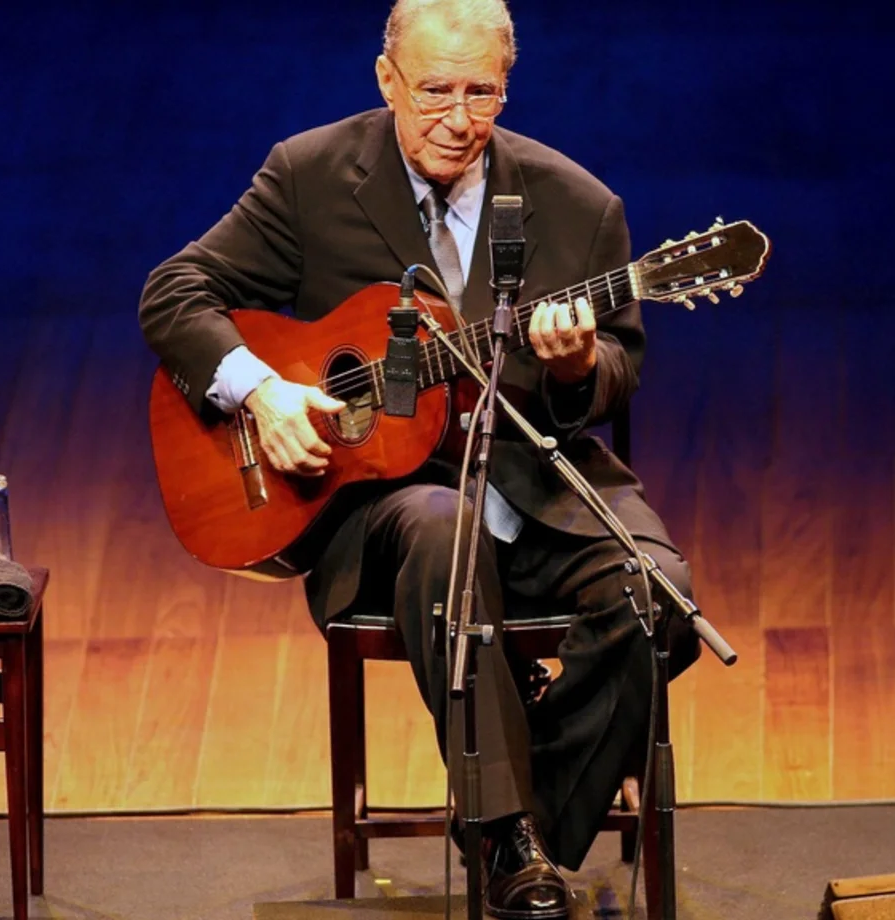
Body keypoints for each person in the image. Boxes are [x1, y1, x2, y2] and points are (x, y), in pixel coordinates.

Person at [139, 0, 699, 915]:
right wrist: (263, 393)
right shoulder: (311, 174)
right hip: (385, 505)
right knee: (445, 526)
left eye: (482, 93)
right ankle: (506, 841)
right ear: (387, 80)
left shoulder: (577, 204)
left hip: (535, 479)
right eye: (435, 91)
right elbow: (174, 291)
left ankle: (520, 804)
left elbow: (616, 369)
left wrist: (573, 367)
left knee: (658, 598)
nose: (458, 118)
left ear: (507, 87)